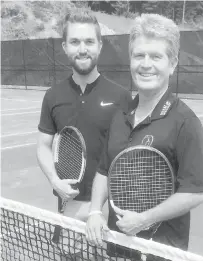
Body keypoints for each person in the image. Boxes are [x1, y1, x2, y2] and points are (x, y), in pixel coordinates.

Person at [86, 13, 203, 261]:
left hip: (160, 253)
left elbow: (196, 191)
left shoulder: (185, 122)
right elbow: (104, 170)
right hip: (119, 247)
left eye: (156, 57)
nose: (146, 64)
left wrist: (144, 219)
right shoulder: (120, 115)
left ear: (172, 64)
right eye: (139, 55)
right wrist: (94, 212)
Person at [36, 9, 132, 249]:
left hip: (107, 210)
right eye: (75, 42)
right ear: (65, 47)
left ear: (100, 45)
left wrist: (101, 207)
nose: (82, 49)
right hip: (70, 205)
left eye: (89, 41)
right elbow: (43, 147)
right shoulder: (52, 96)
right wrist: (55, 181)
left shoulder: (121, 97)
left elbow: (127, 156)